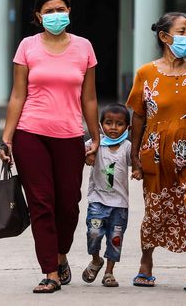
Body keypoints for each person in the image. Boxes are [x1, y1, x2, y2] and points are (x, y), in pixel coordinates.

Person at [0, 0, 100, 294]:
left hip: (69, 135)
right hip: (31, 133)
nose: (56, 16)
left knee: (68, 204)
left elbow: (90, 98)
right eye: (50, 11)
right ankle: (50, 272)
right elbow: (18, 94)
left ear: (69, 12)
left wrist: (95, 136)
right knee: (41, 204)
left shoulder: (84, 48)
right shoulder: (27, 47)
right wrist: (7, 139)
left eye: (61, 10)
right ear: (38, 16)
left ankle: (60, 253)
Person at [127, 12, 186, 295]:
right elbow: (139, 117)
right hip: (157, 155)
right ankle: (146, 264)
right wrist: (135, 155)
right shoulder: (146, 73)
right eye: (182, 31)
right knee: (156, 212)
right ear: (164, 36)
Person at [81, 103, 132, 288]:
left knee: (115, 239)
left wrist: (139, 170)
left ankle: (109, 273)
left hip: (120, 205)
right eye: (108, 123)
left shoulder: (127, 147)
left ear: (128, 127)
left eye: (119, 124)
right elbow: (78, 153)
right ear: (100, 125)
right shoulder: (95, 143)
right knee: (94, 233)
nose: (113, 127)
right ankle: (96, 260)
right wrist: (87, 156)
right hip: (97, 201)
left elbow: (137, 162)